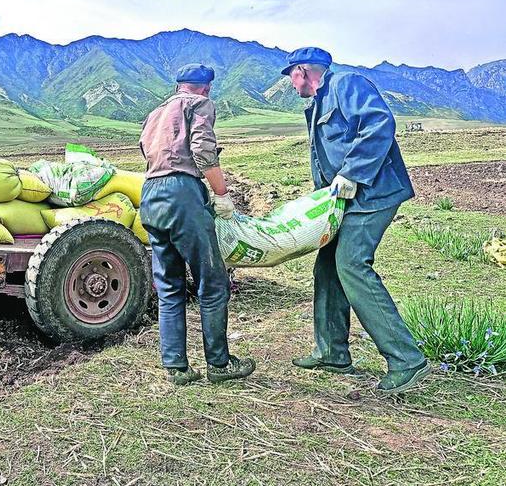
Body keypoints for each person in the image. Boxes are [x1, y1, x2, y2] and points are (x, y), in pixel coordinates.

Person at [283, 47, 430, 394]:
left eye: (291, 74)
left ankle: (406, 360)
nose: (290, 83)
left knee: (351, 265)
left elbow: (380, 123)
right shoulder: (319, 101)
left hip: (373, 195)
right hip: (345, 201)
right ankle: (332, 351)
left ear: (304, 70)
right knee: (327, 266)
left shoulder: (347, 84)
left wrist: (351, 174)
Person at [139, 63, 256, 386]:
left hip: (150, 195)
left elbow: (146, 152)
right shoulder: (200, 104)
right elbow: (203, 151)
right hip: (182, 195)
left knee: (169, 285)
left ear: (179, 85)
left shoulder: (156, 113)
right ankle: (219, 363)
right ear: (205, 88)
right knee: (212, 280)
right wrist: (221, 194)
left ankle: (176, 367)